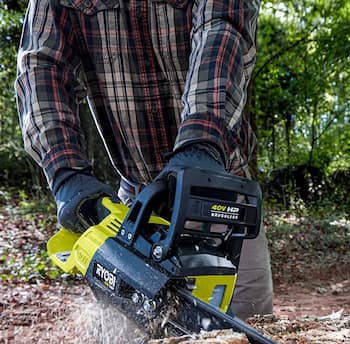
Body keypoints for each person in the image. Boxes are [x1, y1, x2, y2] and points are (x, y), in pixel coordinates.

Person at [15, 0, 272, 320]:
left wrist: (201, 142)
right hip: (136, 202)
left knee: (249, 329)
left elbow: (222, 31)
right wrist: (66, 171)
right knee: (131, 338)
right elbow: (41, 64)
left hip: (221, 196)